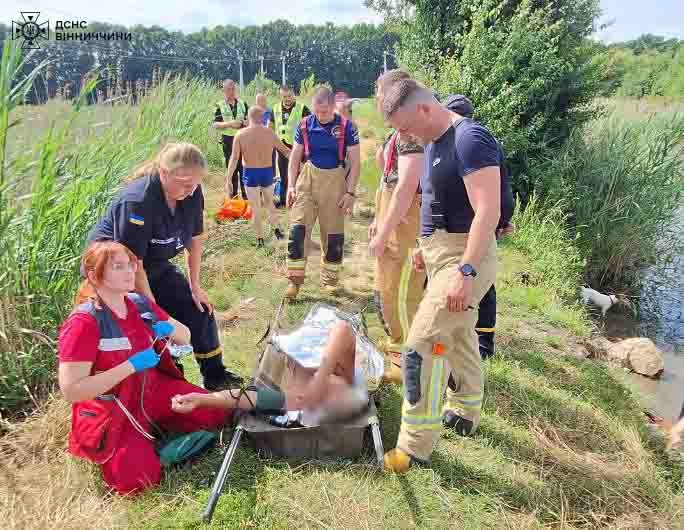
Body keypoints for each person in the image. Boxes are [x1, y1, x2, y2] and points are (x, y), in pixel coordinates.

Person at [379, 76, 503, 473]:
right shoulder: (433, 141)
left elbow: (488, 210)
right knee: (459, 334)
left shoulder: (470, 139)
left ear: (425, 109)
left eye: (406, 126)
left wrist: (465, 270)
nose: (405, 136)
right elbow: (437, 203)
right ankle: (465, 409)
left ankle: (414, 446)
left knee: (421, 344)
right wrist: (423, 249)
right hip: (440, 253)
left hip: (468, 257)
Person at [58, 241, 230, 494]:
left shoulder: (139, 303)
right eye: (119, 267)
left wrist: (166, 329)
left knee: (217, 413)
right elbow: (73, 391)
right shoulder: (84, 322)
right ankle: (151, 449)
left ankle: (158, 434)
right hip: (113, 406)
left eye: (131, 265)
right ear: (95, 276)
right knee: (137, 482)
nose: (130, 272)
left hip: (153, 388)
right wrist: (130, 365)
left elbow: (186, 336)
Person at [87, 142, 243, 391]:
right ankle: (170, 385)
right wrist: (155, 311)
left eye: (194, 184)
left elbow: (195, 240)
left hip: (153, 263)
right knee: (154, 327)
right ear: (163, 172)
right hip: (114, 273)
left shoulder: (192, 193)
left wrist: (195, 287)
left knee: (200, 310)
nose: (190, 190)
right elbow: (132, 263)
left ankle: (216, 377)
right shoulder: (137, 202)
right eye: (184, 183)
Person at [172, 320, 367, 425]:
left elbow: (243, 397)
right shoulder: (342, 384)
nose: (289, 363)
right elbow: (342, 330)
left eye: (291, 360)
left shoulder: (299, 400)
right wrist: (201, 399)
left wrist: (201, 399)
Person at [441, 94, 515, 360]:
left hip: (474, 224)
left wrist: (500, 220)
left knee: (476, 279)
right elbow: (504, 187)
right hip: (484, 221)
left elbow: (494, 189)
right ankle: (481, 342)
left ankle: (481, 344)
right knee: (483, 282)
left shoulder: (468, 142)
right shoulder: (486, 140)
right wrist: (505, 218)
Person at [368, 70, 426, 385]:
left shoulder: (410, 134)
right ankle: (397, 348)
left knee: (403, 292)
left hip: (406, 223)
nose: (376, 99)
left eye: (378, 92)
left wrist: (385, 230)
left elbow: (406, 187)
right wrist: (379, 222)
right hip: (392, 218)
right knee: (387, 289)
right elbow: (388, 181)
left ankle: (409, 362)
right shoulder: (397, 133)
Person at [284, 86, 361, 299]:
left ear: (333, 106)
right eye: (317, 111)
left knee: (333, 235)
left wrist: (351, 193)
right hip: (307, 181)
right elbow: (294, 158)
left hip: (335, 184)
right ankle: (294, 281)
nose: (321, 115)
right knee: (297, 231)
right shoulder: (305, 125)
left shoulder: (347, 127)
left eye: (325, 111)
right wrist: (290, 186)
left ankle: (330, 280)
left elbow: (355, 163)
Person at [225, 106, 290, 247]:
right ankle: (277, 231)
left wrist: (228, 178)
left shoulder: (241, 134)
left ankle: (260, 240)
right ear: (262, 118)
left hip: (250, 173)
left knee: (256, 208)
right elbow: (285, 151)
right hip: (266, 171)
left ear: (249, 118)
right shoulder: (270, 133)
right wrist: (301, 164)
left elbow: (234, 158)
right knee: (270, 204)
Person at [273, 85, 311, 208]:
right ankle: (285, 200)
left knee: (299, 175)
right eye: (284, 96)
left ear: (294, 95)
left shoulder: (303, 108)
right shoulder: (275, 108)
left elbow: (309, 127)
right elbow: (270, 128)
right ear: (281, 96)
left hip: (298, 147)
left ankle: (301, 200)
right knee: (284, 175)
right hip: (281, 147)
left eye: (289, 96)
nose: (287, 99)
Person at [213, 79, 249, 199]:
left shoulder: (243, 104)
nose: (231, 91)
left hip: (243, 139)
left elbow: (250, 121)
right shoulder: (219, 105)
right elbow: (216, 125)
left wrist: (245, 122)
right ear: (223, 90)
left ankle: (247, 197)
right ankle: (233, 197)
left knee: (244, 168)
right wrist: (230, 123)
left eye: (233, 88)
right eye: (228, 89)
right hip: (228, 141)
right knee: (231, 169)